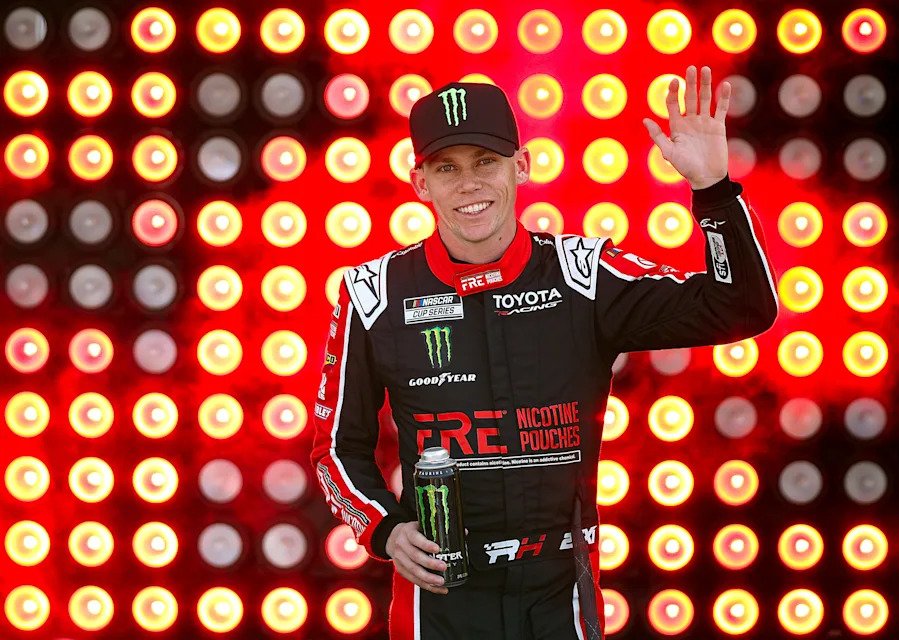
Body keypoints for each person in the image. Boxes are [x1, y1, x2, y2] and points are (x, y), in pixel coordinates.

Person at [310, 66, 778, 639]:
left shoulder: (582, 274)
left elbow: (742, 308)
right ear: (420, 183)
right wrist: (382, 528)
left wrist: (714, 190)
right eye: (447, 168)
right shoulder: (373, 292)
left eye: (486, 162)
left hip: (561, 598)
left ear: (522, 166)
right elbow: (336, 447)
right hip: (442, 602)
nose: (469, 184)